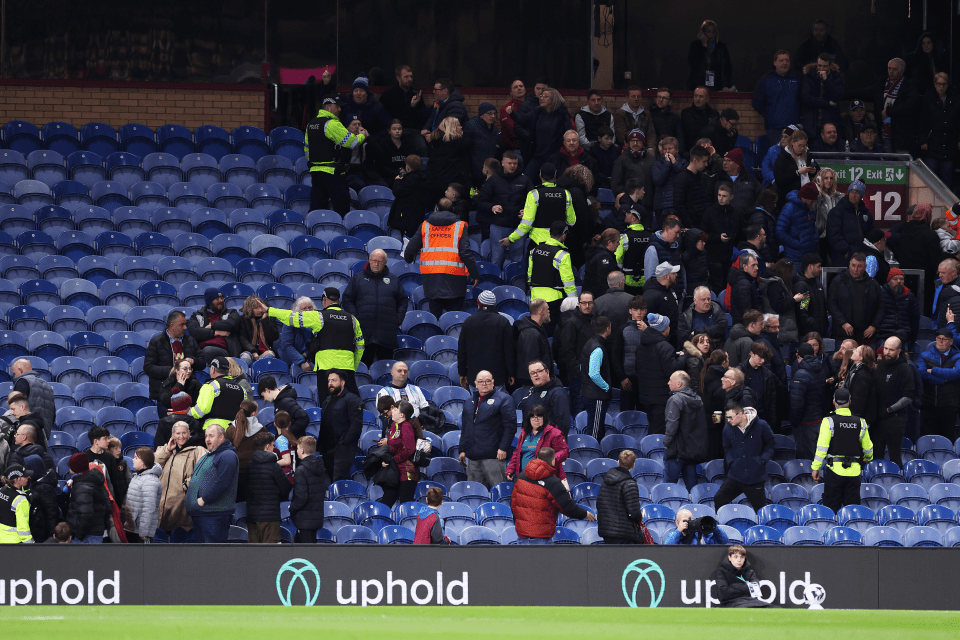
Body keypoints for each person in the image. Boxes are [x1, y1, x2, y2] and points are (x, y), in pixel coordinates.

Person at [256, 290, 364, 404]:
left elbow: (290, 317)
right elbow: (360, 347)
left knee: (328, 406)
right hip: (348, 370)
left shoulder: (319, 316)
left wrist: (270, 310)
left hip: (326, 369)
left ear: (324, 301)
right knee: (353, 406)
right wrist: (353, 366)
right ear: (339, 301)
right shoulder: (353, 320)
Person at [403, 204, 480, 319]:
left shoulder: (425, 226)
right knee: (455, 319)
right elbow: (465, 253)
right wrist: (475, 274)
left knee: (435, 319)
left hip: (432, 281)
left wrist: (409, 259)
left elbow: (410, 249)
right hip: (455, 281)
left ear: (437, 209)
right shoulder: (460, 226)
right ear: (453, 210)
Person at [511, 447, 595, 543]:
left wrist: (518, 523)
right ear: (553, 461)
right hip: (542, 536)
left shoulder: (521, 476)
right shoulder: (553, 482)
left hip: (522, 535)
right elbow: (567, 506)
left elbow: (514, 503)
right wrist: (584, 513)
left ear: (537, 457)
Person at [811, 388, 873, 513]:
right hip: (854, 473)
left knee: (831, 510)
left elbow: (822, 448)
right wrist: (868, 458)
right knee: (852, 511)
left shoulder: (828, 421)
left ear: (834, 402)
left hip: (834, 472)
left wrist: (815, 467)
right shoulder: (861, 422)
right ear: (850, 402)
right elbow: (868, 448)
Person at [341, 249, 408, 365]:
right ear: (369, 261)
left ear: (385, 263)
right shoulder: (358, 278)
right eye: (374, 261)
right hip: (363, 333)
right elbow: (347, 299)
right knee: (362, 368)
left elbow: (403, 301)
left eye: (380, 261)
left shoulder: (393, 280)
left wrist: (397, 320)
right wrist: (355, 318)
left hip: (386, 334)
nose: (376, 264)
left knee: (386, 370)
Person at [305, 96, 367, 214]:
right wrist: (363, 136)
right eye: (337, 106)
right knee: (341, 206)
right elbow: (351, 142)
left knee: (317, 206)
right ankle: (341, 230)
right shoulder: (332, 124)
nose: (339, 109)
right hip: (333, 172)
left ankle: (317, 230)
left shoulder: (311, 124)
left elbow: (307, 150)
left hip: (315, 171)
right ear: (329, 108)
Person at [714, 401, 775, 512]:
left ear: (740, 414)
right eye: (727, 417)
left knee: (760, 510)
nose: (728, 420)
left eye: (731, 417)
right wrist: (732, 461)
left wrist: (762, 459)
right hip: (735, 475)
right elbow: (727, 448)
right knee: (719, 499)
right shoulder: (727, 429)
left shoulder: (761, 425)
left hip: (756, 477)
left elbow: (770, 444)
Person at [476, 151, 533, 267]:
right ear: (502, 163)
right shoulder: (493, 180)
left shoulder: (525, 180)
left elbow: (534, 201)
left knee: (518, 262)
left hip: (518, 227)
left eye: (515, 163)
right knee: (496, 260)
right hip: (498, 226)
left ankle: (517, 285)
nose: (512, 166)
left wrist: (527, 211)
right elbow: (481, 201)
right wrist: (492, 207)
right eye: (510, 163)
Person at [458, 371, 514, 489]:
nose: (484, 384)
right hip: (473, 457)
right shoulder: (469, 402)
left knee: (498, 491)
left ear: (493, 383)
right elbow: (465, 427)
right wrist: (462, 449)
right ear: (475, 384)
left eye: (488, 381)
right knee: (475, 494)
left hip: (493, 457)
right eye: (481, 381)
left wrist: (503, 447)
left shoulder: (504, 399)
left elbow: (510, 426)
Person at [185, 424, 239, 543]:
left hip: (214, 514)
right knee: (204, 556)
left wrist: (203, 499)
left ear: (221, 437)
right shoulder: (209, 455)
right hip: (202, 514)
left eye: (211, 436)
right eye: (206, 436)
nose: (207, 439)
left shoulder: (227, 455)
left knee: (213, 556)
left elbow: (222, 483)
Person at [511, 87, 574, 179]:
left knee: (553, 182)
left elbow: (569, 131)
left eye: (546, 96)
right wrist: (512, 113)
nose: (542, 98)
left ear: (553, 99)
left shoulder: (562, 113)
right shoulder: (537, 111)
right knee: (526, 178)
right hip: (538, 154)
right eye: (541, 96)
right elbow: (522, 119)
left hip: (555, 156)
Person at [456, 290, 515, 389]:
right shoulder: (503, 321)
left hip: (474, 376)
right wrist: (511, 373)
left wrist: (462, 373)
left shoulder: (469, 322)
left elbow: (462, 351)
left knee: (476, 403)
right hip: (497, 377)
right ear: (493, 304)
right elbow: (509, 351)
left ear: (478, 302)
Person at [527, 221, 576, 334]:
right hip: (553, 300)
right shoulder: (562, 254)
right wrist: (573, 302)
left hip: (535, 297)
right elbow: (568, 281)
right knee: (551, 333)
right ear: (564, 235)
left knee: (537, 330)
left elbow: (530, 274)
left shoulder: (535, 250)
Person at [156, 421, 206, 533]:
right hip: (163, 502)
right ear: (172, 435)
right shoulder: (164, 449)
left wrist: (186, 486)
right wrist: (167, 450)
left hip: (182, 503)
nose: (181, 436)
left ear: (189, 434)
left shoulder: (198, 450)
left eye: (184, 433)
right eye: (178, 433)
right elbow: (153, 465)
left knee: (180, 536)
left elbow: (203, 472)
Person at [874, 337, 915, 470]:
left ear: (899, 351)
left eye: (891, 350)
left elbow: (908, 397)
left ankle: (897, 480)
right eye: (885, 348)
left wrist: (890, 410)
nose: (887, 352)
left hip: (896, 419)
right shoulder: (878, 366)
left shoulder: (905, 369)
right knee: (876, 454)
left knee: (894, 455)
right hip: (877, 418)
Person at [663, 371, 708, 491]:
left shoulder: (675, 399)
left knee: (668, 487)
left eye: (670, 380)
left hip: (676, 451)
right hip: (691, 451)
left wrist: (666, 443)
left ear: (678, 384)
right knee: (692, 488)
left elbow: (671, 425)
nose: (668, 383)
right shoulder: (698, 399)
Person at [636, 313, 680, 435]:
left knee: (653, 428)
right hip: (661, 397)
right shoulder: (665, 347)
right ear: (665, 329)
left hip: (646, 395)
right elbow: (672, 371)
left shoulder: (641, 345)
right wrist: (683, 358)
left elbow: (637, 369)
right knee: (660, 430)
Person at [244, 431, 290, 544]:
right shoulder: (274, 467)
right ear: (268, 446)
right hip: (270, 517)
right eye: (273, 445)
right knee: (271, 555)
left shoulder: (248, 467)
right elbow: (286, 487)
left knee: (254, 555)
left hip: (252, 516)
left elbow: (244, 489)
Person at [827, 253, 883, 342]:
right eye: (853, 265)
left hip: (866, 336)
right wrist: (843, 323)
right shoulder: (838, 281)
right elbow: (831, 304)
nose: (855, 269)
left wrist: (874, 326)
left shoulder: (873, 284)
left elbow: (881, 307)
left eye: (859, 266)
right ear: (849, 264)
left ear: (865, 266)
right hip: (842, 334)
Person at [319, 371, 363, 482]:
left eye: (334, 380)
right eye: (329, 381)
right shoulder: (327, 401)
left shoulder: (353, 399)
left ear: (342, 383)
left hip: (343, 449)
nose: (330, 383)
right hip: (327, 449)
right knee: (332, 479)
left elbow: (356, 425)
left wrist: (345, 443)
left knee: (339, 479)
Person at [505, 404, 568, 483]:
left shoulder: (554, 433)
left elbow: (564, 451)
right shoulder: (524, 433)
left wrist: (550, 460)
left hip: (546, 477)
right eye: (533, 417)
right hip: (524, 477)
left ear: (544, 418)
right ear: (529, 419)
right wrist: (510, 469)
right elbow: (517, 453)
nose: (536, 419)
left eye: (539, 416)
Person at [596, 450, 647, 545]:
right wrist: (640, 516)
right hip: (624, 533)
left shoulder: (606, 481)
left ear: (618, 462)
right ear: (633, 465)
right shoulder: (630, 483)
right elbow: (634, 512)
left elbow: (599, 504)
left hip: (607, 532)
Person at [871, 58, 920, 153]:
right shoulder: (882, 83)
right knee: (887, 165)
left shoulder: (909, 85)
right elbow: (866, 92)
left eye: (894, 69)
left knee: (902, 165)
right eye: (889, 68)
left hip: (902, 137)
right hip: (884, 134)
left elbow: (909, 106)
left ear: (902, 71)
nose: (891, 71)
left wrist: (889, 111)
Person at [918, 329, 960, 439]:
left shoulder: (958, 356)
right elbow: (922, 373)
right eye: (938, 338)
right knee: (927, 439)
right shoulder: (924, 356)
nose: (940, 341)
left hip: (949, 406)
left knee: (947, 439)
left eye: (944, 339)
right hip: (928, 405)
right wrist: (943, 380)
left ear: (951, 341)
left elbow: (956, 373)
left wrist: (933, 370)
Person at [187, 357, 249, 432]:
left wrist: (187, 411)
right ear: (228, 371)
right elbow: (245, 412)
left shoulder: (210, 386)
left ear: (213, 369)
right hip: (234, 431)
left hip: (213, 430)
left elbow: (201, 411)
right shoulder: (241, 389)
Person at [918, 73, 958, 186]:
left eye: (944, 84)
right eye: (939, 84)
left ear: (947, 85)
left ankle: (947, 204)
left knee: (947, 181)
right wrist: (923, 140)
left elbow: (958, 121)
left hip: (949, 144)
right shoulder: (927, 99)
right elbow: (922, 121)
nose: (941, 87)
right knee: (930, 181)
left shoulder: (954, 99)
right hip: (932, 144)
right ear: (935, 84)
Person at [753, 50, 801, 144]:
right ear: (775, 63)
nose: (785, 63)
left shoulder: (797, 79)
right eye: (781, 60)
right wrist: (769, 115)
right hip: (774, 129)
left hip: (793, 127)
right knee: (777, 155)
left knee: (792, 154)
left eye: (787, 60)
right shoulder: (766, 80)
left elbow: (802, 100)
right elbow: (756, 102)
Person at [559, 292, 595, 414]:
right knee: (579, 407)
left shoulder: (594, 320)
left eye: (590, 303)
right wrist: (578, 369)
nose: (587, 306)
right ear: (579, 304)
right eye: (584, 303)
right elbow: (567, 350)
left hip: (593, 372)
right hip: (578, 374)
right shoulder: (571, 323)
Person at [514, 361, 572, 437]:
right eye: (532, 373)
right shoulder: (529, 393)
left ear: (547, 372)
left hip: (549, 443)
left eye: (539, 371)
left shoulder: (557, 393)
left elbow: (563, 424)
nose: (536, 375)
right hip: (530, 442)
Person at [289, 435, 329, 543]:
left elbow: (301, 497)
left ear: (301, 450)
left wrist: (291, 507)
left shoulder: (300, 471)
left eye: (297, 449)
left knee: (305, 554)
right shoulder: (320, 467)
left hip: (304, 519)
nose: (297, 451)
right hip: (316, 517)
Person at [380, 400, 421, 507]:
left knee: (405, 505)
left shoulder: (406, 426)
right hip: (395, 472)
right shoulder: (393, 425)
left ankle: (405, 523)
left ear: (402, 415)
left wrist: (393, 460)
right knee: (386, 502)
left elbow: (409, 449)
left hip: (407, 473)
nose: (392, 410)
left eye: (395, 409)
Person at [789, 343, 827, 459]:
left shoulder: (800, 375)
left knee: (806, 458)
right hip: (818, 418)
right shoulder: (821, 370)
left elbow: (796, 403)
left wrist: (795, 421)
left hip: (805, 422)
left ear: (798, 356)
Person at [186, 288, 244, 363]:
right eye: (217, 299)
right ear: (209, 301)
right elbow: (194, 331)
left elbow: (232, 324)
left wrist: (212, 326)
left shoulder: (231, 312)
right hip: (203, 350)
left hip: (226, 351)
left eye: (222, 298)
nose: (221, 301)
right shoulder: (197, 315)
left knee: (209, 351)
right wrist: (216, 332)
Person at [64, 453, 110, 543]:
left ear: (76, 468)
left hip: (87, 536)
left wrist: (79, 535)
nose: (69, 470)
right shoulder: (93, 479)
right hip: (96, 532)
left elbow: (85, 514)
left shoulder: (82, 487)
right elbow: (107, 505)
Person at [581, 315, 614, 440]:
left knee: (597, 429)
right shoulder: (597, 348)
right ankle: (592, 455)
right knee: (595, 432)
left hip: (589, 393)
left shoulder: (589, 343)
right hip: (596, 396)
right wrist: (606, 387)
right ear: (608, 328)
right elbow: (594, 374)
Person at [826, 181, 872, 267]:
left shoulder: (865, 213)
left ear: (861, 196)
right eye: (851, 192)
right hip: (842, 258)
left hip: (862, 257)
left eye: (856, 193)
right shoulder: (837, 211)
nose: (853, 195)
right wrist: (847, 251)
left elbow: (870, 233)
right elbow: (833, 235)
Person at [777, 183, 821, 266]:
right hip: (794, 257)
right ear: (803, 197)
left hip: (809, 256)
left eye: (814, 201)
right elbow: (780, 232)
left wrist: (815, 239)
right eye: (811, 201)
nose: (813, 203)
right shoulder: (789, 208)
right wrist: (798, 244)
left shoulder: (810, 208)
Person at [83, 425, 127, 508]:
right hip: (89, 500)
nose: (108, 441)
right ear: (96, 441)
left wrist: (118, 503)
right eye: (105, 438)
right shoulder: (85, 457)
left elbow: (115, 482)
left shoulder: (110, 458)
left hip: (107, 500)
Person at [9, 358, 54, 439]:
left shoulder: (22, 381)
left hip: (26, 433)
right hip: (44, 434)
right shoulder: (47, 386)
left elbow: (17, 408)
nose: (14, 376)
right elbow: (53, 414)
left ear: (21, 370)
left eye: (14, 373)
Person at [800, 53, 843, 137]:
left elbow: (837, 96)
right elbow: (806, 98)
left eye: (825, 66)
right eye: (819, 65)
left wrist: (826, 80)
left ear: (830, 66)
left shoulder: (837, 77)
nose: (821, 68)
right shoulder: (809, 76)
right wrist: (827, 103)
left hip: (829, 122)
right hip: (812, 123)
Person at [124, 447, 161, 543]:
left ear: (144, 461)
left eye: (136, 458)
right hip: (132, 528)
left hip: (141, 532)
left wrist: (143, 532)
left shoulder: (150, 481)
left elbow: (149, 509)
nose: (133, 460)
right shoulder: (137, 476)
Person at [673, 145, 713, 228]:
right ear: (695, 160)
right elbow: (678, 204)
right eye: (704, 161)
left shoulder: (703, 177)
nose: (706, 164)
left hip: (704, 222)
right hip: (691, 225)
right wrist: (690, 225)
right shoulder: (682, 178)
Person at [379, 65, 429, 133]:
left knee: (420, 143)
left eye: (411, 76)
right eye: (406, 77)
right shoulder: (389, 94)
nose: (410, 79)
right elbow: (382, 114)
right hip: (394, 130)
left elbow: (422, 116)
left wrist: (413, 106)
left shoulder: (416, 94)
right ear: (398, 78)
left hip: (413, 130)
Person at [257, 376, 309, 441]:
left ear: (267, 390)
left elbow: (304, 418)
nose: (264, 399)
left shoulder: (286, 402)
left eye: (263, 395)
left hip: (293, 444)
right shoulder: (280, 402)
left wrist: (288, 431)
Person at [515, 300, 553, 388]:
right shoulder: (531, 333)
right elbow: (532, 362)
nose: (549, 311)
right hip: (533, 383)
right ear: (541, 311)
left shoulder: (537, 329)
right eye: (547, 309)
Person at [686, 20, 732, 92]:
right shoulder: (695, 46)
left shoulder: (721, 47)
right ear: (703, 32)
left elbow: (726, 67)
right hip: (698, 84)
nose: (711, 34)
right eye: (708, 31)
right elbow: (693, 64)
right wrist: (703, 45)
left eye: (713, 31)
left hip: (716, 84)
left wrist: (726, 85)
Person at [877, 268, 920, 344]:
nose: (899, 281)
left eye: (901, 279)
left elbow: (915, 318)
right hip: (883, 334)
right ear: (889, 281)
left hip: (903, 335)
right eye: (895, 279)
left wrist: (912, 338)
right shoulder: (880, 294)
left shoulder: (909, 296)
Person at [773, 129, 815, 208]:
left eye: (804, 145)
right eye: (800, 145)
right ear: (792, 142)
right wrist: (797, 172)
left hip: (808, 198)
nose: (802, 148)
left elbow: (816, 169)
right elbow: (779, 180)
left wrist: (813, 171)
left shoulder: (807, 155)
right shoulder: (782, 158)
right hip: (789, 200)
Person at [275, 297, 316, 373]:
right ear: (297, 311)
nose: (308, 310)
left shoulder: (315, 322)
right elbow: (287, 345)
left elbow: (316, 343)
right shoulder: (290, 322)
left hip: (309, 357)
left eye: (310, 307)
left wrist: (306, 354)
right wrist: (301, 360)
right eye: (304, 308)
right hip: (290, 359)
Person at [613, 86, 656, 153]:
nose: (636, 99)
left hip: (644, 148)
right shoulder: (620, 113)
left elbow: (651, 132)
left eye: (638, 96)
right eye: (633, 96)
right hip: (626, 147)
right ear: (627, 97)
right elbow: (621, 135)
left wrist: (650, 148)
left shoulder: (646, 113)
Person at [794, 253, 828, 337]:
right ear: (811, 267)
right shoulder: (802, 286)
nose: (820, 269)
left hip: (820, 332)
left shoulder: (817, 284)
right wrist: (815, 325)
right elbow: (802, 311)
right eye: (818, 266)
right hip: (808, 334)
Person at [611, 130, 653, 199]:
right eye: (632, 141)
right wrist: (626, 199)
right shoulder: (621, 160)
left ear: (643, 142)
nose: (635, 143)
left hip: (649, 202)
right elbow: (616, 185)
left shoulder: (651, 159)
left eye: (638, 141)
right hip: (630, 203)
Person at [237, 295, 279, 362]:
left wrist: (265, 320)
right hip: (249, 351)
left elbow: (274, 337)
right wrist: (253, 351)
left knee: (270, 356)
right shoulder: (243, 319)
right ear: (249, 308)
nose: (260, 310)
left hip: (266, 350)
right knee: (245, 358)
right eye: (256, 308)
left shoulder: (270, 317)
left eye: (260, 307)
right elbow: (242, 338)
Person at [0, 463, 33, 543]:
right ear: (16, 479)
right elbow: (23, 529)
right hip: (14, 543)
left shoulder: (1, 490)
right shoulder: (21, 500)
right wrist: (31, 546)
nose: (29, 477)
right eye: (25, 476)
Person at [727, 254, 762, 330]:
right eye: (753, 265)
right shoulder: (743, 285)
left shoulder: (747, 281)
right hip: (745, 328)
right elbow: (747, 313)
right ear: (744, 267)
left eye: (757, 265)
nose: (757, 268)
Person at [680, 87, 719, 153]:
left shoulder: (714, 114)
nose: (698, 99)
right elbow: (692, 131)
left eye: (701, 96)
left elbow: (716, 133)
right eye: (696, 96)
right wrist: (709, 127)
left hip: (711, 149)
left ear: (707, 99)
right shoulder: (686, 112)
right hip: (692, 150)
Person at [583, 229, 620, 298]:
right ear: (610, 242)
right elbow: (604, 281)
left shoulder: (596, 252)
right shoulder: (604, 256)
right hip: (599, 296)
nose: (619, 244)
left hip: (591, 294)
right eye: (617, 241)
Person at [663, 507, 730, 545]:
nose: (688, 523)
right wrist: (679, 531)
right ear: (677, 523)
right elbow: (667, 548)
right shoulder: (673, 535)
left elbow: (724, 541)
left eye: (690, 520)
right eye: (685, 521)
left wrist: (713, 525)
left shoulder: (702, 535)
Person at [500, 78, 531, 156]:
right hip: (515, 150)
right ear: (511, 92)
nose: (519, 88)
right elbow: (513, 130)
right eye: (515, 87)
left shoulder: (532, 106)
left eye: (521, 86)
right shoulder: (506, 109)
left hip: (531, 148)